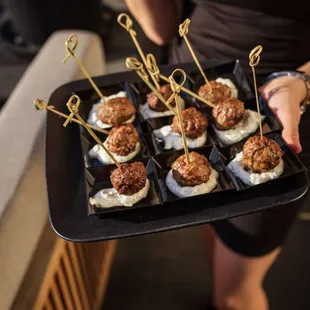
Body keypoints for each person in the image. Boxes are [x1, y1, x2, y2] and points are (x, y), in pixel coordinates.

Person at [125, 1, 310, 309]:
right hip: (189, 79)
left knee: (235, 296)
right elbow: (161, 29)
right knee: (217, 229)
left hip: (284, 105)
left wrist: (301, 81)